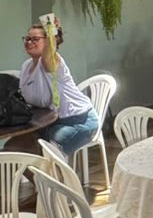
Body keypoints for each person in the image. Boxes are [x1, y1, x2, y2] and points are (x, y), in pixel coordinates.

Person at [19, 24, 101, 156]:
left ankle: (57, 170)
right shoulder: (26, 66)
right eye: (27, 38)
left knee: (47, 152)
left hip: (79, 121)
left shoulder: (53, 61)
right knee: (14, 145)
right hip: (48, 122)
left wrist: (51, 30)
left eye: (35, 39)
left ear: (48, 42)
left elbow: (47, 57)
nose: (29, 42)